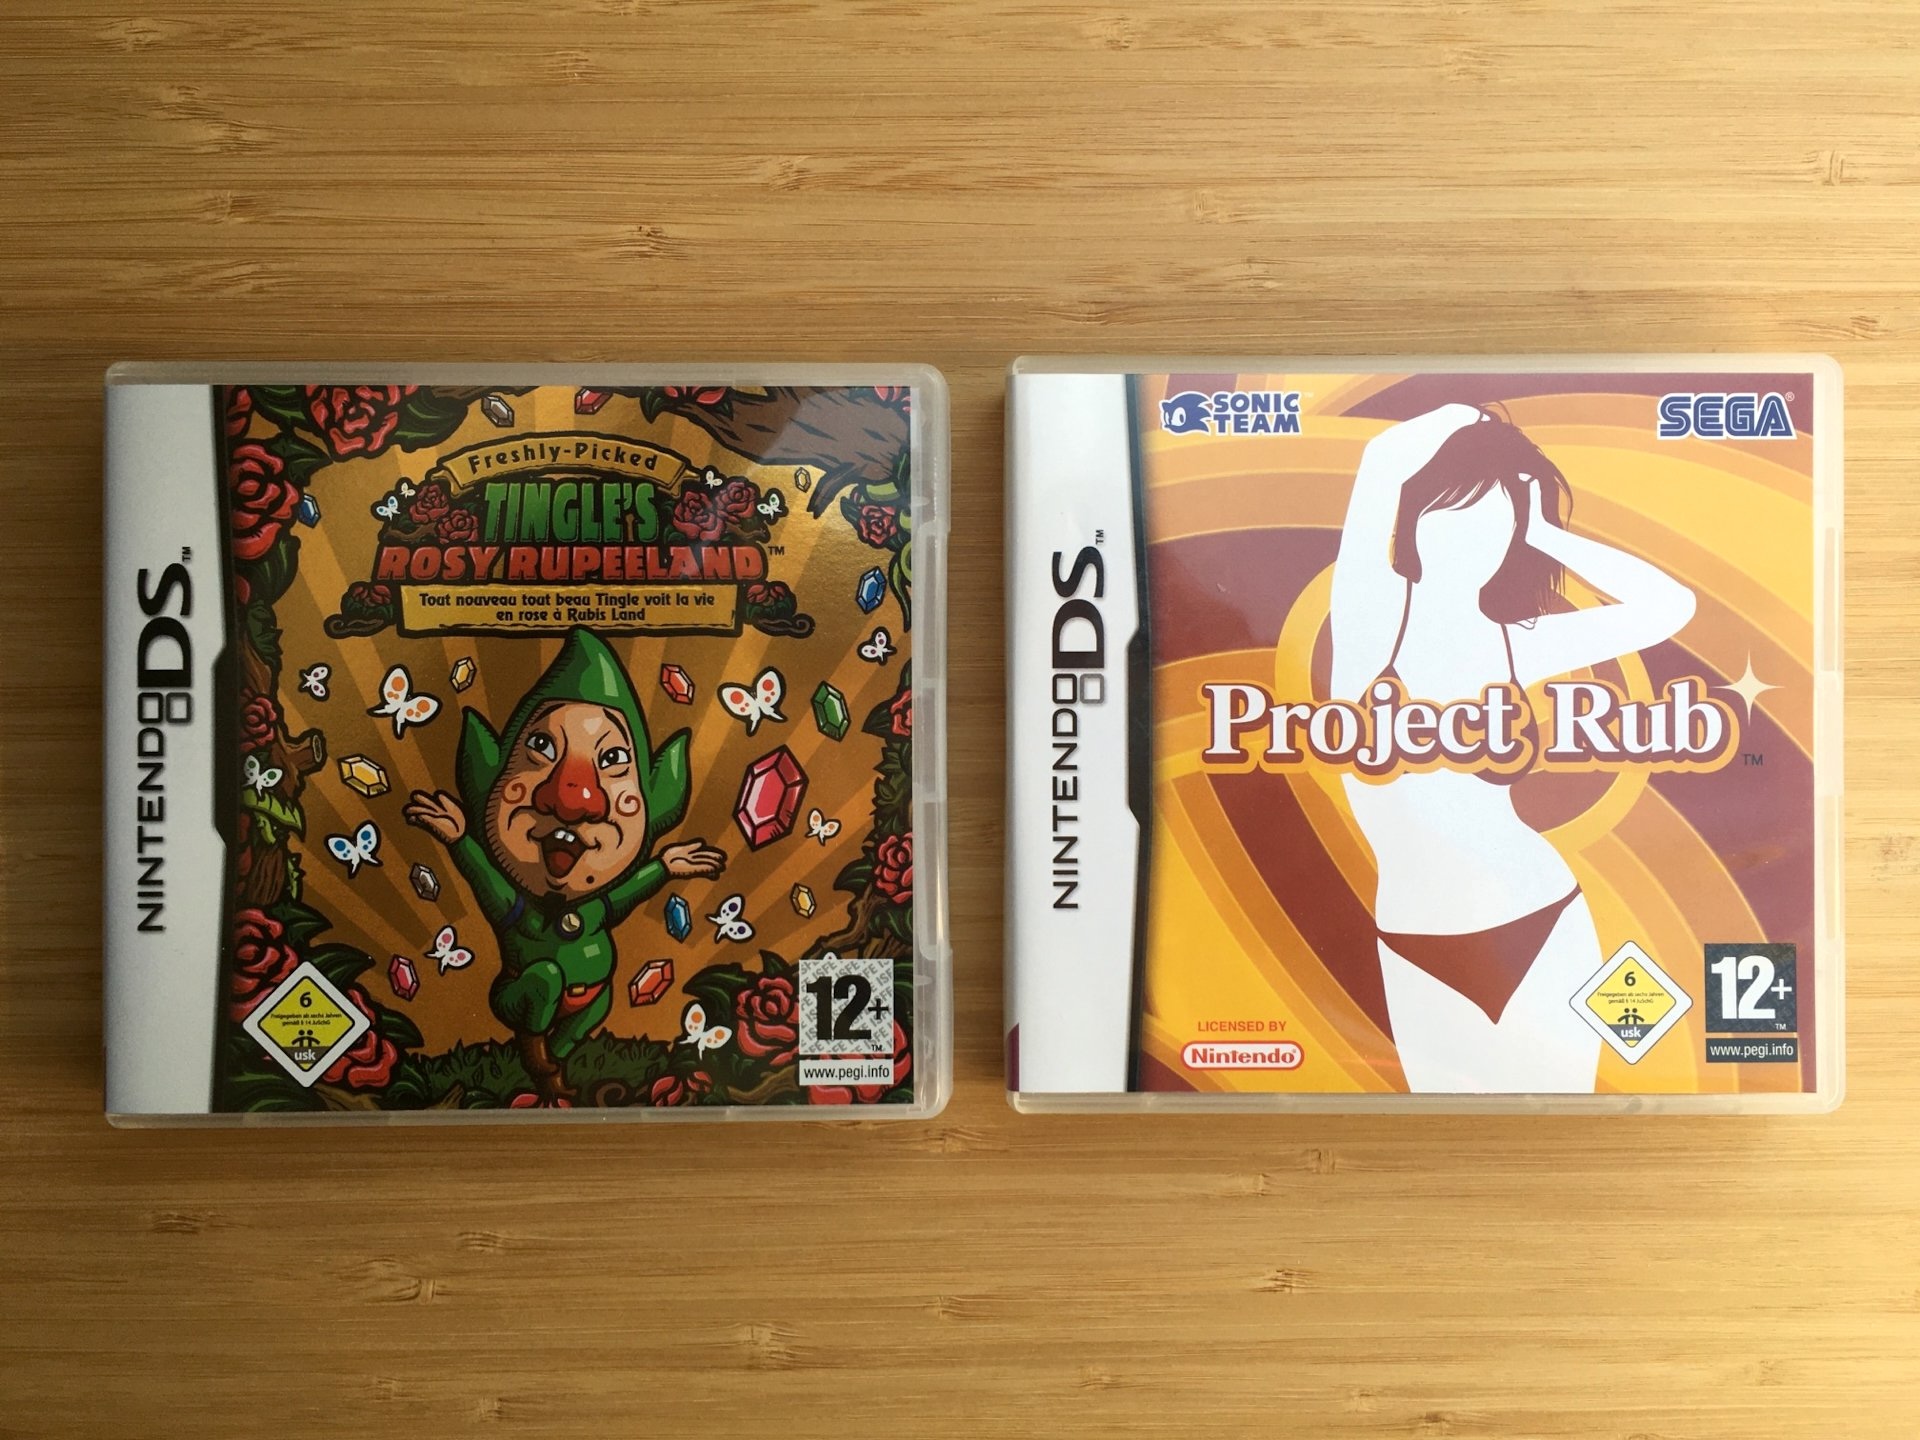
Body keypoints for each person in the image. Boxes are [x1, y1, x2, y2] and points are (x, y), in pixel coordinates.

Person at [1329, 404, 1696, 1092]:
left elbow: (1669, 608)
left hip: (1542, 917)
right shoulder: (1370, 626)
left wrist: (1547, 534)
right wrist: (1457, 413)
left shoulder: (1514, 643)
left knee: (1570, 1121)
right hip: (1414, 939)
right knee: (1443, 1130)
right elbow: (1381, 459)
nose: (1473, 537)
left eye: (1493, 520)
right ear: (1413, 523)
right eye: (1453, 513)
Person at [404, 629, 726, 1103]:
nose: (573, 801)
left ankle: (553, 1064)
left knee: (599, 1002)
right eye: (541, 746)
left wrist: (663, 866)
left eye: (613, 759)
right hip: (522, 995)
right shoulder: (517, 909)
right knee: (546, 978)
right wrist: (460, 840)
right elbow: (485, 879)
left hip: (588, 997)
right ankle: (536, 1057)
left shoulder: (596, 907)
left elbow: (624, 894)